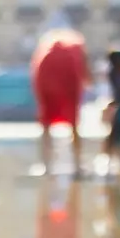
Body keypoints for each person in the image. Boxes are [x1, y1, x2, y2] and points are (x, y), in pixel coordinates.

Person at [30, 28, 89, 175]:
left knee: (46, 125)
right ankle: (77, 165)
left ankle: (46, 165)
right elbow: (83, 70)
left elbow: (36, 72)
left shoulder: (48, 47)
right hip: (69, 85)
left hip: (47, 85)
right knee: (74, 125)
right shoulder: (75, 46)